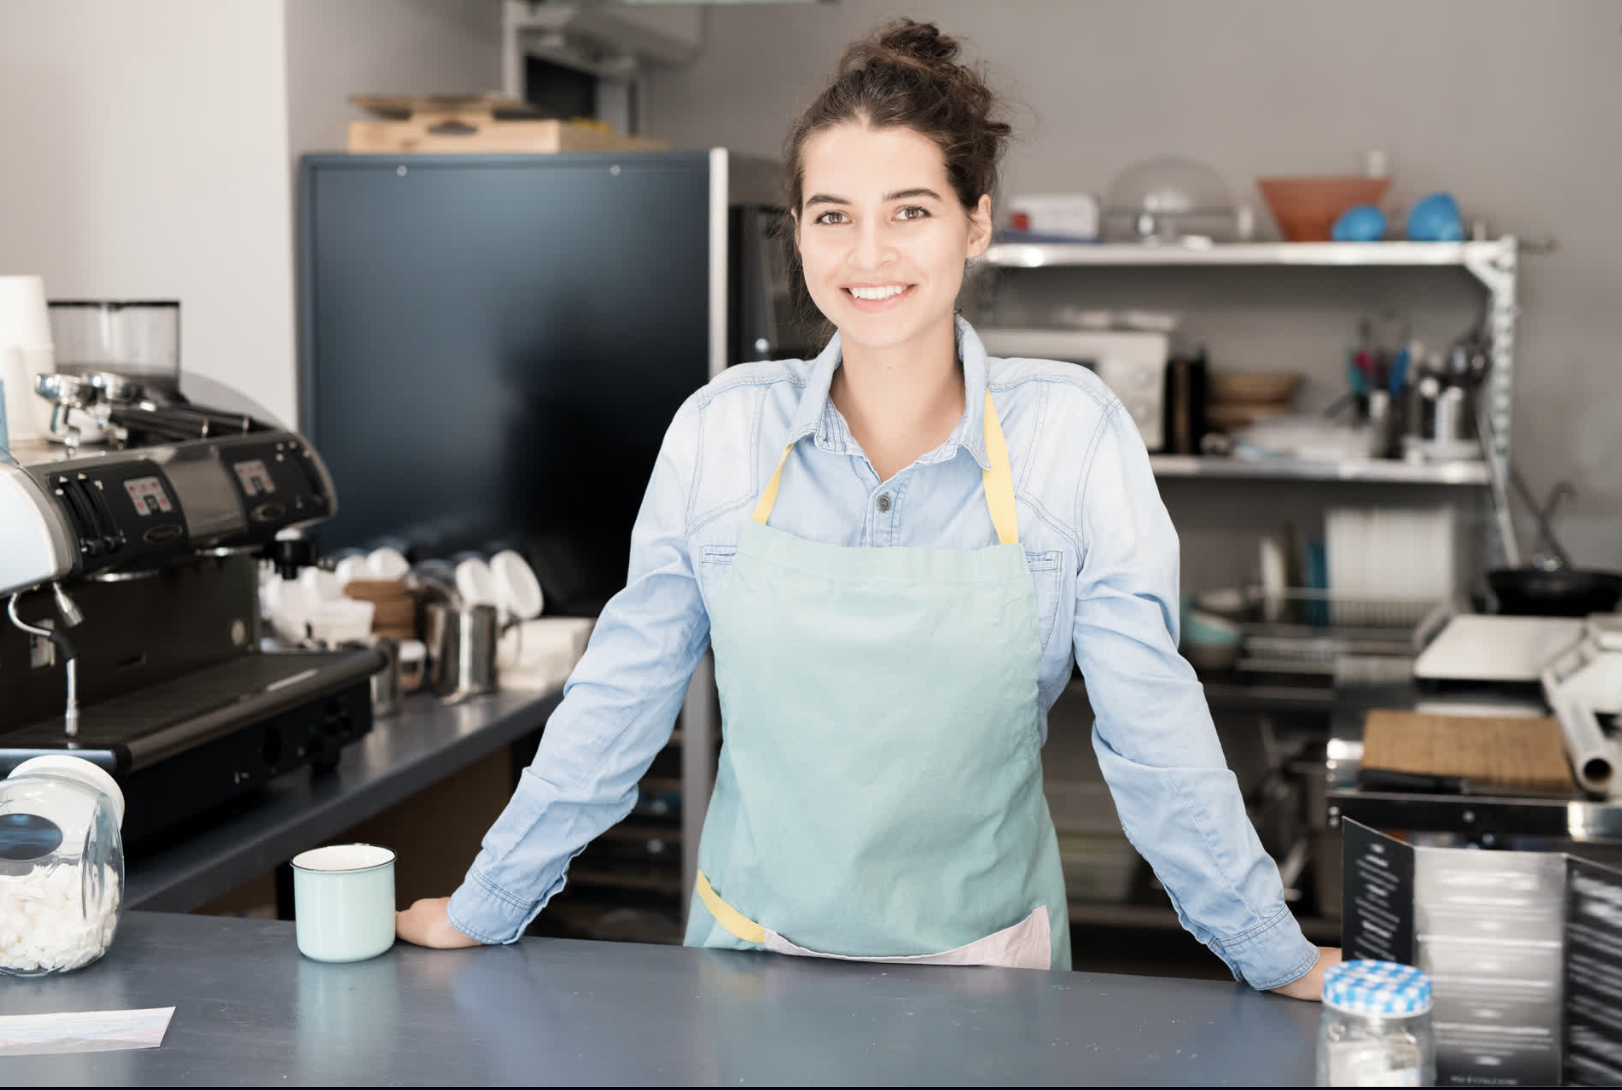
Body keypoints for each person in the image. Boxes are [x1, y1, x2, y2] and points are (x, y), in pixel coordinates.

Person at [398, 17, 1338, 997]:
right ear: (796, 229)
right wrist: (487, 901)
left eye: (910, 210)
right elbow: (619, 699)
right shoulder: (722, 434)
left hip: (991, 972)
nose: (868, 252)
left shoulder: (1069, 437)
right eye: (832, 214)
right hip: (745, 961)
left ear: (976, 222)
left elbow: (1152, 728)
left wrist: (1269, 952)